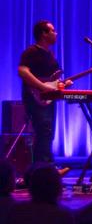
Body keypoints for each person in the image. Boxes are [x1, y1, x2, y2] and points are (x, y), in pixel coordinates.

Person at [18, 21, 72, 167]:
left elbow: (53, 81)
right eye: (52, 30)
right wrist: (42, 87)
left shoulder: (50, 55)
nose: (56, 33)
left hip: (48, 99)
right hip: (35, 98)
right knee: (44, 131)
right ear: (43, 33)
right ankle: (43, 169)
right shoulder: (32, 52)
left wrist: (61, 84)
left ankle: (45, 167)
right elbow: (23, 71)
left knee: (48, 133)